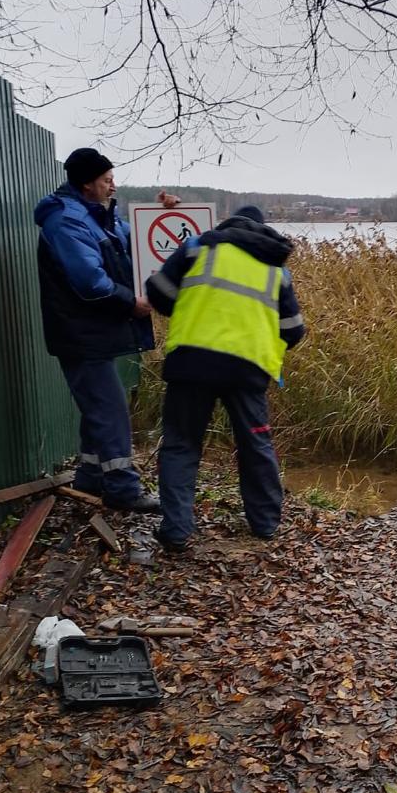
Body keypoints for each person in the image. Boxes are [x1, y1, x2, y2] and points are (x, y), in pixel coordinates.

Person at [145, 204, 305, 551]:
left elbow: (158, 292)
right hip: (247, 370)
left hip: (191, 363)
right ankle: (264, 525)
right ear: (262, 231)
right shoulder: (276, 271)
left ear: (228, 224)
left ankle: (176, 531)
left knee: (181, 444)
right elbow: (294, 331)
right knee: (255, 446)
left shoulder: (199, 247)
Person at [35, 148, 169, 512]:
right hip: (81, 334)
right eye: (107, 180)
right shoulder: (66, 221)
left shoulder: (97, 217)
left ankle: (91, 479)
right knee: (110, 411)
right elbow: (89, 281)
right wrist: (132, 303)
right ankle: (123, 490)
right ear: (86, 183)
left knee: (99, 408)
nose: (113, 185)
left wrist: (164, 214)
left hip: (91, 332)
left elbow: (136, 241)